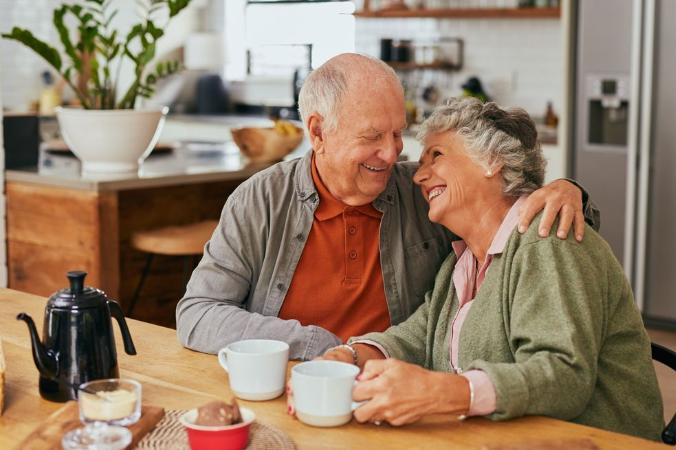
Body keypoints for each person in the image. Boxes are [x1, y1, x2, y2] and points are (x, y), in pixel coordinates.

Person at [176, 53, 600, 360]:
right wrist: (318, 346)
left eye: (398, 134)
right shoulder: (261, 200)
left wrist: (568, 189)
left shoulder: (425, 193)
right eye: (371, 136)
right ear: (318, 132)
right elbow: (197, 314)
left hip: (398, 389)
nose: (391, 154)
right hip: (294, 381)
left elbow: (529, 221)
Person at [317, 97, 664, 441]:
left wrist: (443, 393)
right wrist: (352, 355)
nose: (420, 176)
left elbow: (563, 377)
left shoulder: (546, 240)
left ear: (492, 161)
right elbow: (420, 335)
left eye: (437, 155)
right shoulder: (462, 260)